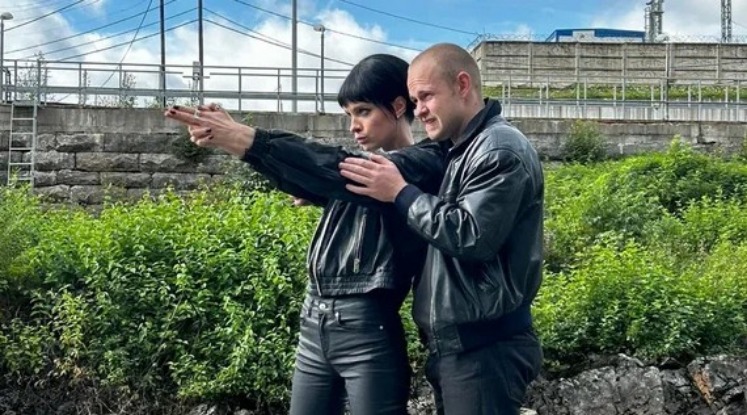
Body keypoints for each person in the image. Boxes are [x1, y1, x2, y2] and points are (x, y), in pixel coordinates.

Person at [164, 54, 445, 415]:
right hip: (313, 319)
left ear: (398, 106)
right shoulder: (359, 172)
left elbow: (335, 168)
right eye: (349, 115)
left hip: (368, 328)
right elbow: (315, 172)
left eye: (363, 111)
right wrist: (231, 140)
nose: (354, 126)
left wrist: (244, 138)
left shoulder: (421, 163)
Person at [338, 43, 544, 415]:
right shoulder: (459, 149)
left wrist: (401, 193)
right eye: (414, 101)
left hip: (485, 348)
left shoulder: (499, 150)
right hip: (459, 347)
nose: (418, 110)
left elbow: (471, 235)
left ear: (462, 85)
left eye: (426, 96)